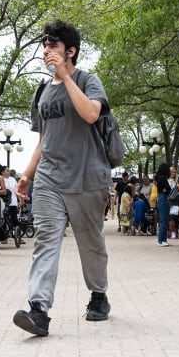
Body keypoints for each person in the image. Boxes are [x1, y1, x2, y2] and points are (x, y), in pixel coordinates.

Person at [13, 20, 112, 337]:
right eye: (44, 45)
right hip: (48, 180)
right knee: (45, 241)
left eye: (53, 45)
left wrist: (67, 77)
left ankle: (99, 295)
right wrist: (27, 174)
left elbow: (91, 114)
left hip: (87, 178)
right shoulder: (41, 92)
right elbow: (44, 138)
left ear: (70, 51)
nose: (46, 51)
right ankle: (38, 310)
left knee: (91, 243)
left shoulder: (87, 80)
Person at [154, 163, 172, 247]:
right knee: (164, 219)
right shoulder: (162, 178)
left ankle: (163, 239)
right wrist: (167, 189)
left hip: (162, 197)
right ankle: (161, 240)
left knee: (164, 219)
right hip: (164, 198)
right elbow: (168, 188)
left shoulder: (159, 178)